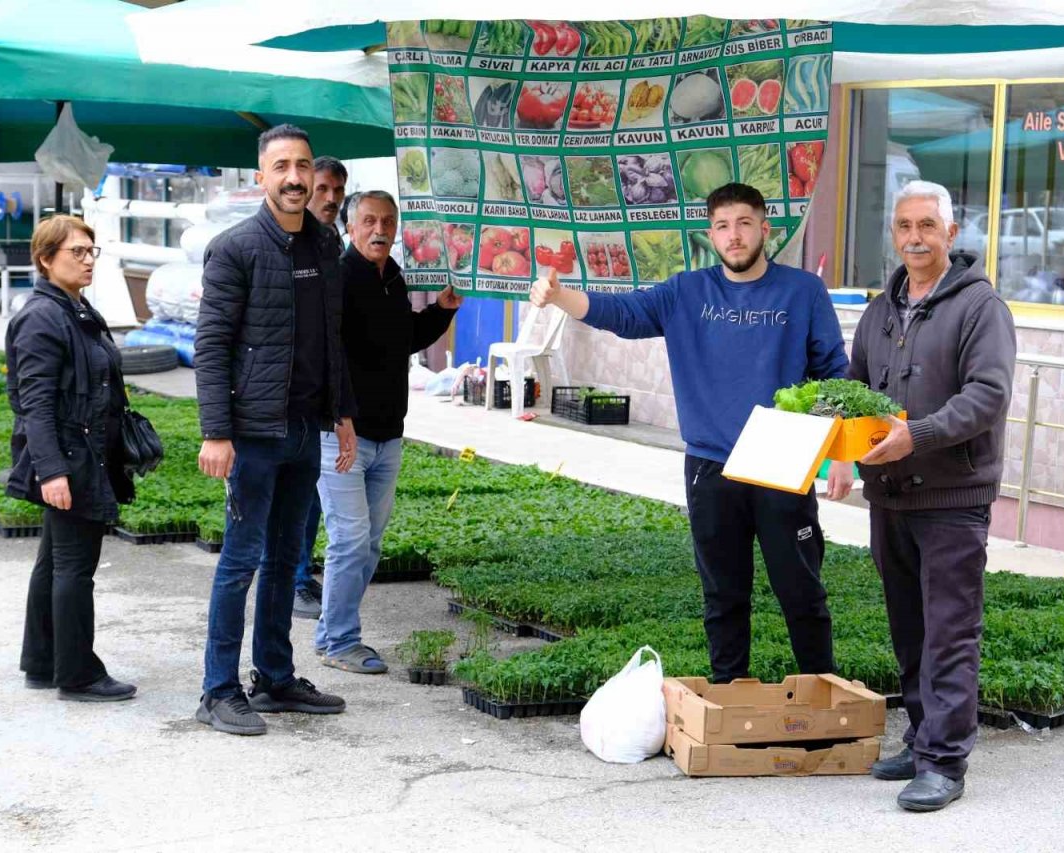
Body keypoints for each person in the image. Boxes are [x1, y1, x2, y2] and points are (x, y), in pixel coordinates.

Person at [530, 182, 847, 685]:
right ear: (711, 235)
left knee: (801, 589)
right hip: (710, 463)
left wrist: (843, 455)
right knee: (723, 595)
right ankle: (727, 701)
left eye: (744, 223)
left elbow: (834, 371)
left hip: (784, 459)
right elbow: (626, 314)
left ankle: (825, 695)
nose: (734, 235)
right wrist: (561, 296)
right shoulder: (686, 292)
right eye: (722, 226)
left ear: (765, 229)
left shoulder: (802, 291)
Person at [828, 180, 1015, 812]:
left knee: (950, 630)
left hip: (953, 495)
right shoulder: (882, 308)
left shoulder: (979, 307)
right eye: (905, 226)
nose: (915, 237)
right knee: (909, 626)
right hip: (890, 494)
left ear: (950, 234)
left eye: (927, 226)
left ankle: (944, 762)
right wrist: (839, 451)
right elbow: (855, 387)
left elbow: (988, 396)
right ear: (895, 233)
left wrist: (920, 436)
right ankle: (921, 734)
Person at [194, 124, 356, 736]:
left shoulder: (324, 244)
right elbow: (210, 345)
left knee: (288, 557)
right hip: (253, 432)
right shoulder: (234, 248)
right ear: (259, 176)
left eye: (303, 166)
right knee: (240, 561)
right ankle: (217, 690)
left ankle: (275, 677)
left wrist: (340, 413)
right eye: (282, 166)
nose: (295, 177)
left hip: (303, 429)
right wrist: (217, 431)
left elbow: (329, 339)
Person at [316, 191, 461, 673]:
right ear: (351, 227)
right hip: (343, 436)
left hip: (388, 434)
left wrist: (442, 309)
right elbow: (326, 354)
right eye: (369, 221)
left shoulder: (393, 275)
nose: (380, 230)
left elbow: (405, 339)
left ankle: (333, 632)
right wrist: (341, 415)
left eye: (388, 222)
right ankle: (339, 641)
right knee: (350, 540)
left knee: (371, 543)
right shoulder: (338, 277)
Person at [5, 215, 136, 703]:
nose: (86, 260)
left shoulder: (75, 308)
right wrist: (53, 470)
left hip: (82, 452)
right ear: (45, 259)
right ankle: (78, 674)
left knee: (54, 562)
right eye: (75, 252)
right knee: (75, 567)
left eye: (90, 251)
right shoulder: (43, 317)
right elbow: (33, 403)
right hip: (70, 457)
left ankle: (42, 662)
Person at [290, 159, 350, 621]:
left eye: (338, 191)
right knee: (299, 493)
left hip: (323, 394)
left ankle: (298, 572)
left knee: (313, 491)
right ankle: (294, 579)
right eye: (324, 188)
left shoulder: (331, 243)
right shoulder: (290, 242)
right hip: (289, 396)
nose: (331, 198)